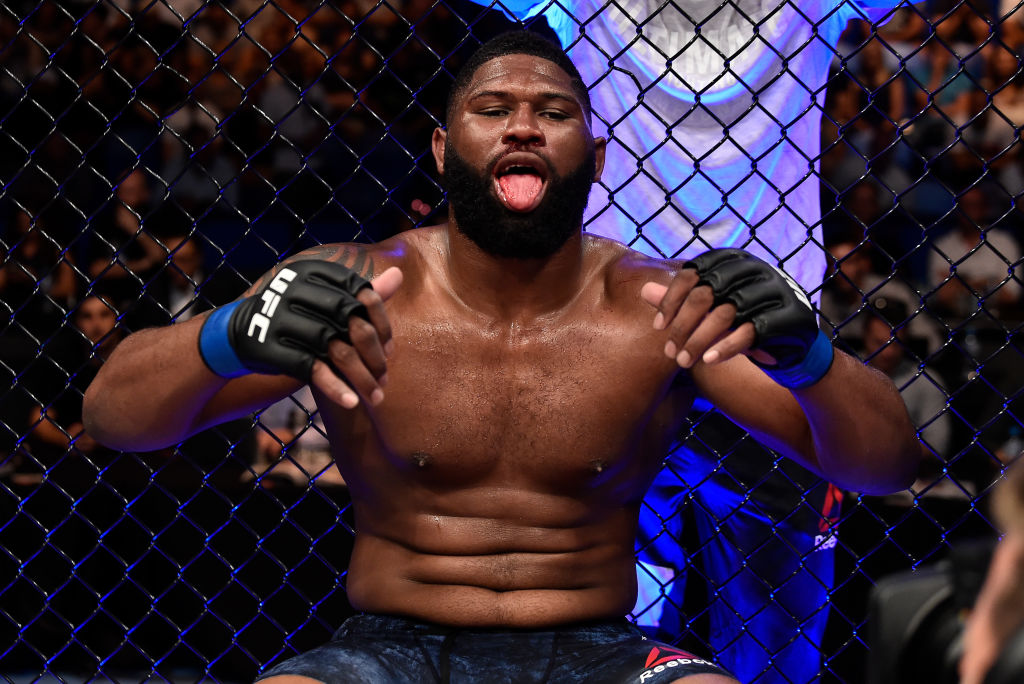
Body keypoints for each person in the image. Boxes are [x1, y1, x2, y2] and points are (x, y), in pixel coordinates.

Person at [83, 32, 919, 683]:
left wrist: (811, 359)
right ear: (445, 151)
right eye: (493, 108)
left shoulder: (657, 308)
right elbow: (114, 418)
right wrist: (222, 336)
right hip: (386, 652)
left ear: (595, 159)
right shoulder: (356, 286)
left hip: (602, 652)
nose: (523, 124)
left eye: (553, 113)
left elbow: (882, 466)